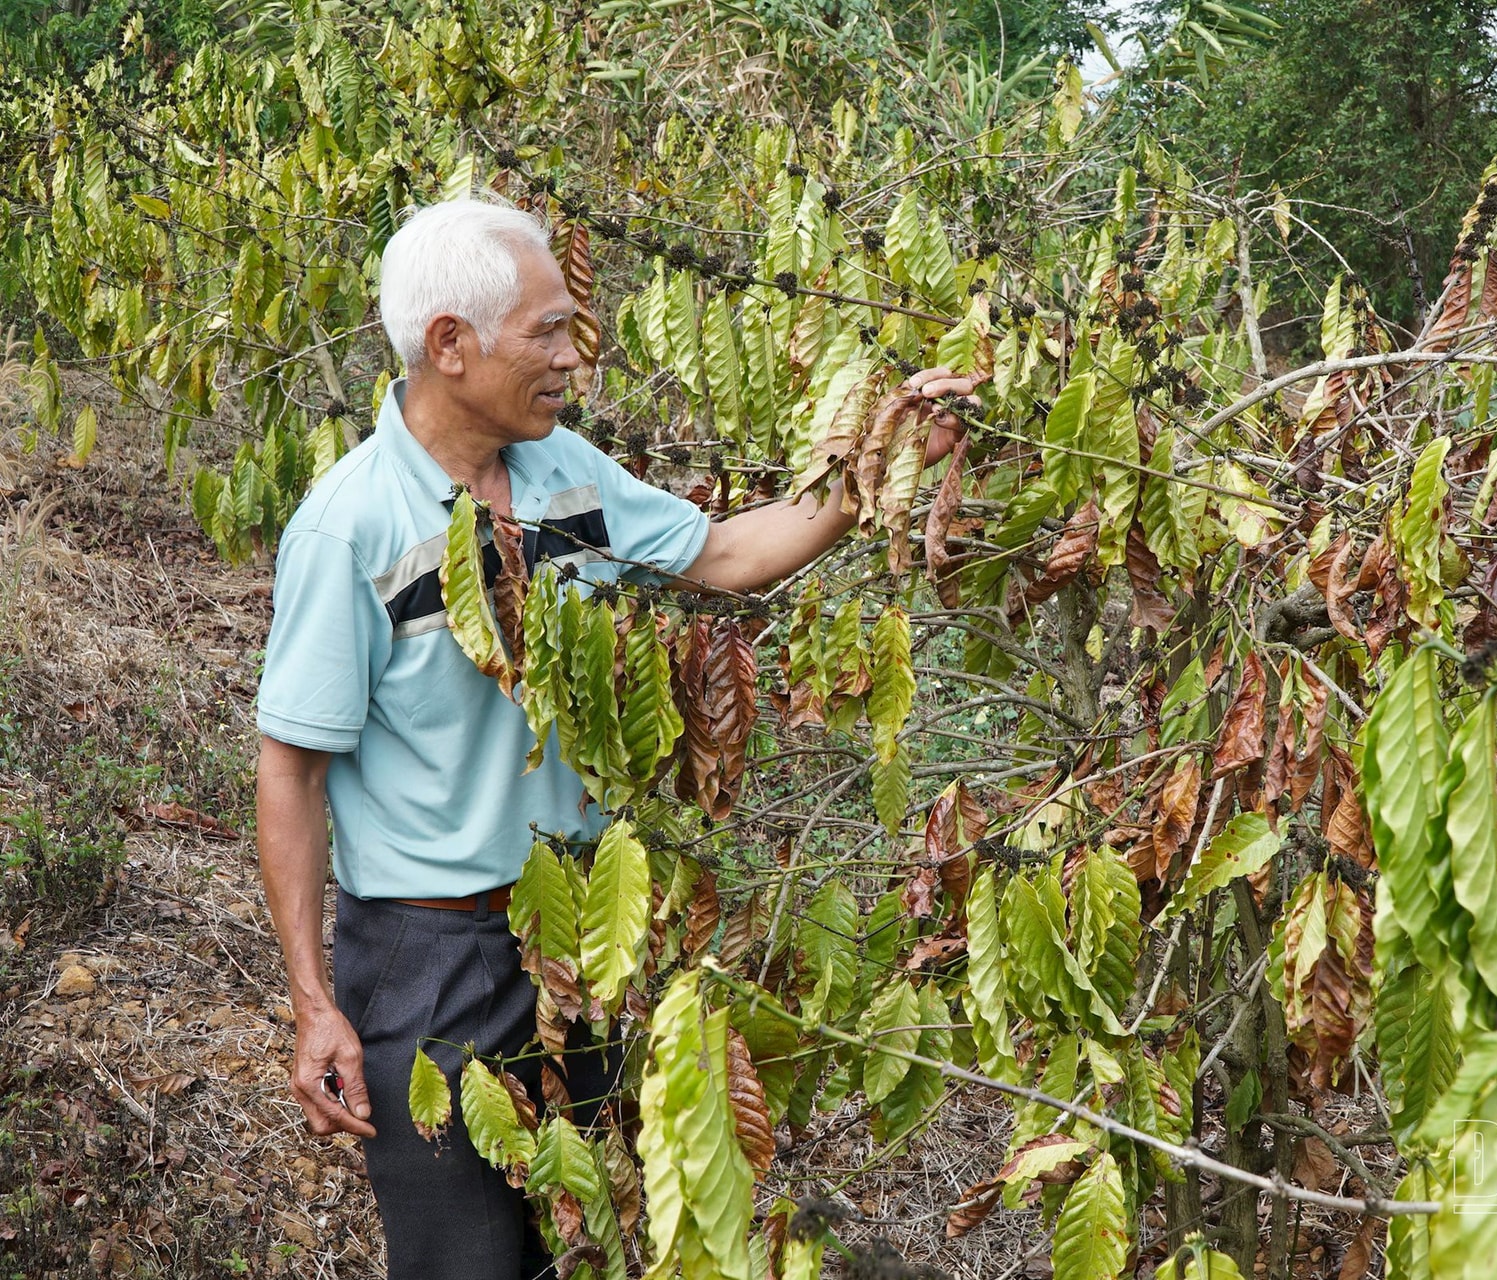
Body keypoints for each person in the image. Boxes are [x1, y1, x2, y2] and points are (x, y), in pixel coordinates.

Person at [254, 196, 980, 1279]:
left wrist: (884, 459)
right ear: (450, 344)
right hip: (427, 954)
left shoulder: (566, 475)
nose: (571, 356)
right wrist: (314, 1002)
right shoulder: (349, 527)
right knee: (464, 1258)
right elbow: (290, 769)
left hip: (581, 932)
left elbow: (724, 556)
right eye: (547, 331)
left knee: (585, 1238)